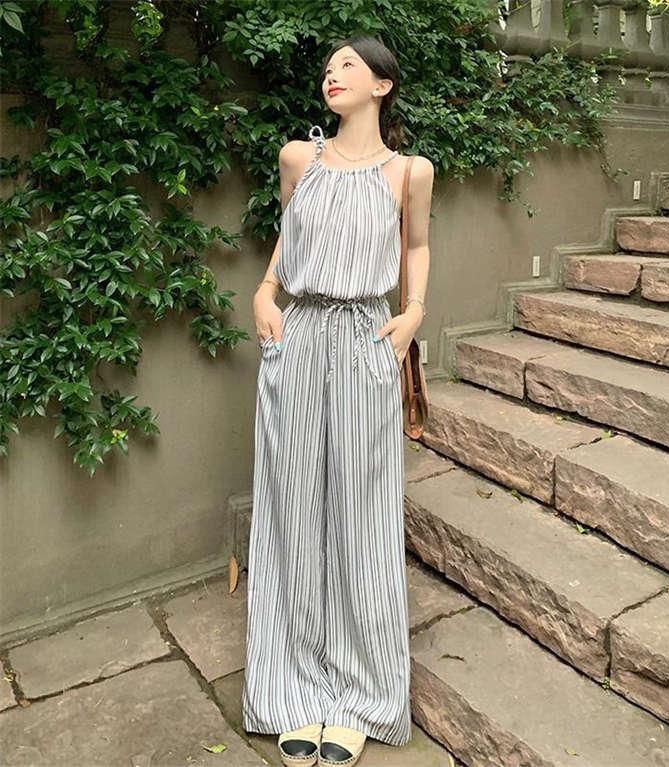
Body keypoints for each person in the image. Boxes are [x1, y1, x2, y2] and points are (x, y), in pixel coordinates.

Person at [242, 33, 434, 767]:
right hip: (297, 337)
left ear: (383, 84)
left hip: (365, 338)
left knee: (361, 514)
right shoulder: (300, 158)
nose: (333, 74)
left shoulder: (410, 171)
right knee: (290, 509)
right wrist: (265, 291)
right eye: (329, 67)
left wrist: (414, 313)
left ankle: (359, 696)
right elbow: (287, 236)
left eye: (349, 64)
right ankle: (290, 688)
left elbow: (416, 245)